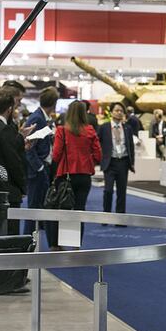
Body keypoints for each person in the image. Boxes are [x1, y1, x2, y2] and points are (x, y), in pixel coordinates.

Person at [51, 101, 101, 248]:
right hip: (84, 176)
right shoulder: (90, 130)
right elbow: (98, 155)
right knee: (80, 210)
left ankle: (57, 244)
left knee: (61, 210)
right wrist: (87, 159)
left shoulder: (62, 130)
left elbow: (56, 155)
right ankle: (76, 244)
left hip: (65, 176)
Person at [0, 91, 30, 236]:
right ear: (10, 109)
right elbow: (13, 162)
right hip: (7, 190)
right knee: (9, 232)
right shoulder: (5, 130)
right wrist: (22, 187)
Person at [23, 86, 58, 241]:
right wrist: (40, 167)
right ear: (54, 103)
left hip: (43, 168)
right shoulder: (37, 118)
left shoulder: (42, 118)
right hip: (37, 170)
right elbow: (29, 148)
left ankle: (31, 239)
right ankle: (27, 240)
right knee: (33, 208)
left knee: (38, 206)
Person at [97, 102, 135, 220]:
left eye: (121, 111)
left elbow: (131, 146)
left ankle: (120, 217)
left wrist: (132, 162)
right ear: (111, 112)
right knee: (108, 191)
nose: (119, 113)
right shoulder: (104, 127)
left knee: (121, 192)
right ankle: (106, 215)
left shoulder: (127, 128)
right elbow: (97, 143)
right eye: (116, 110)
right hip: (110, 163)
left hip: (123, 162)